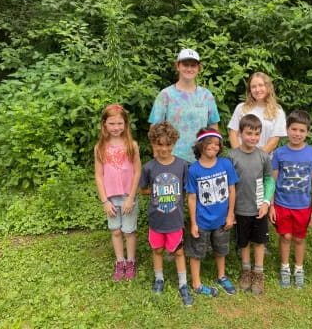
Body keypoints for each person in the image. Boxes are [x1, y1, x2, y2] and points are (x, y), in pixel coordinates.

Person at [139, 121, 194, 306]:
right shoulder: (148, 167)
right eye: (159, 144)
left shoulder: (182, 165)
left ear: (174, 143)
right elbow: (143, 189)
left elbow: (187, 190)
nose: (163, 148)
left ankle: (183, 284)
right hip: (157, 219)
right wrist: (157, 191)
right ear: (153, 143)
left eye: (168, 144)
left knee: (179, 252)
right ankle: (159, 279)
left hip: (175, 219)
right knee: (158, 250)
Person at [269, 109, 312, 289]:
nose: (297, 134)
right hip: (282, 204)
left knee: (299, 238)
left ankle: (298, 268)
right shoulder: (279, 153)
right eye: (294, 129)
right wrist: (270, 205)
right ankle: (285, 267)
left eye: (301, 130)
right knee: (285, 236)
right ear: (287, 129)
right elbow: (272, 180)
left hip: (303, 206)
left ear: (307, 132)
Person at [185, 127, 239, 297]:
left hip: (222, 219)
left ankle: (221, 276)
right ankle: (196, 283)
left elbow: (232, 190)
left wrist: (230, 214)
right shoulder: (194, 170)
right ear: (201, 145)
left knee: (221, 249)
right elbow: (192, 198)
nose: (213, 147)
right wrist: (193, 223)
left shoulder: (226, 164)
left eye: (217, 144)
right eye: (209, 143)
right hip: (201, 221)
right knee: (196, 252)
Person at [226, 114, 274, 295]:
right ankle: (246, 271)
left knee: (259, 242)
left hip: (258, 208)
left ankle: (258, 273)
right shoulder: (231, 157)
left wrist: (266, 202)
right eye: (249, 133)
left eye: (256, 134)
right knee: (243, 242)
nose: (253, 137)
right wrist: (229, 211)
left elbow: (269, 180)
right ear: (240, 133)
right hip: (239, 209)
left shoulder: (263, 156)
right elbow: (228, 185)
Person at [94, 104, 141, 281]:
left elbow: (137, 171)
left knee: (129, 231)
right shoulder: (99, 147)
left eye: (119, 123)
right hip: (110, 198)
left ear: (126, 124)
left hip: (128, 197)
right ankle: (119, 261)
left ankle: (131, 261)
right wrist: (104, 201)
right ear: (104, 124)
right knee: (115, 231)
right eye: (112, 123)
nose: (116, 128)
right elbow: (98, 176)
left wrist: (131, 198)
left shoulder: (132, 145)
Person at [148, 48, 220, 164]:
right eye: (185, 65)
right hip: (171, 160)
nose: (189, 69)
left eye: (193, 65)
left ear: (199, 68)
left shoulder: (206, 95)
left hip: (201, 159)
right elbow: (154, 129)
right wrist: (158, 156)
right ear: (177, 66)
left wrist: (213, 153)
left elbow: (213, 126)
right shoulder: (165, 95)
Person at [228, 72, 286, 155]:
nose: (257, 90)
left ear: (268, 87)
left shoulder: (277, 112)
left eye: (261, 85)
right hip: (240, 159)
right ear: (250, 90)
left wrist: (256, 159)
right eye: (253, 87)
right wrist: (239, 156)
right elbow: (233, 134)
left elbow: (274, 141)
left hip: (263, 160)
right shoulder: (241, 108)